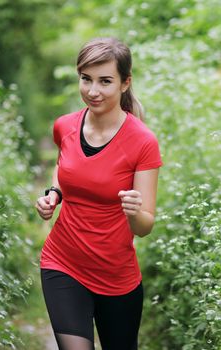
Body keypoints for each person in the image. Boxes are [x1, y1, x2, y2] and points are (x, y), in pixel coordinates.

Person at [35, 37, 162, 350]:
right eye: (86, 79)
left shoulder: (143, 142)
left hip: (116, 277)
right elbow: (64, 167)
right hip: (62, 262)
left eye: (105, 81)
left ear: (124, 83)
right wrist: (54, 193)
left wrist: (134, 212)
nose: (92, 91)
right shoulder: (64, 126)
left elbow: (145, 227)